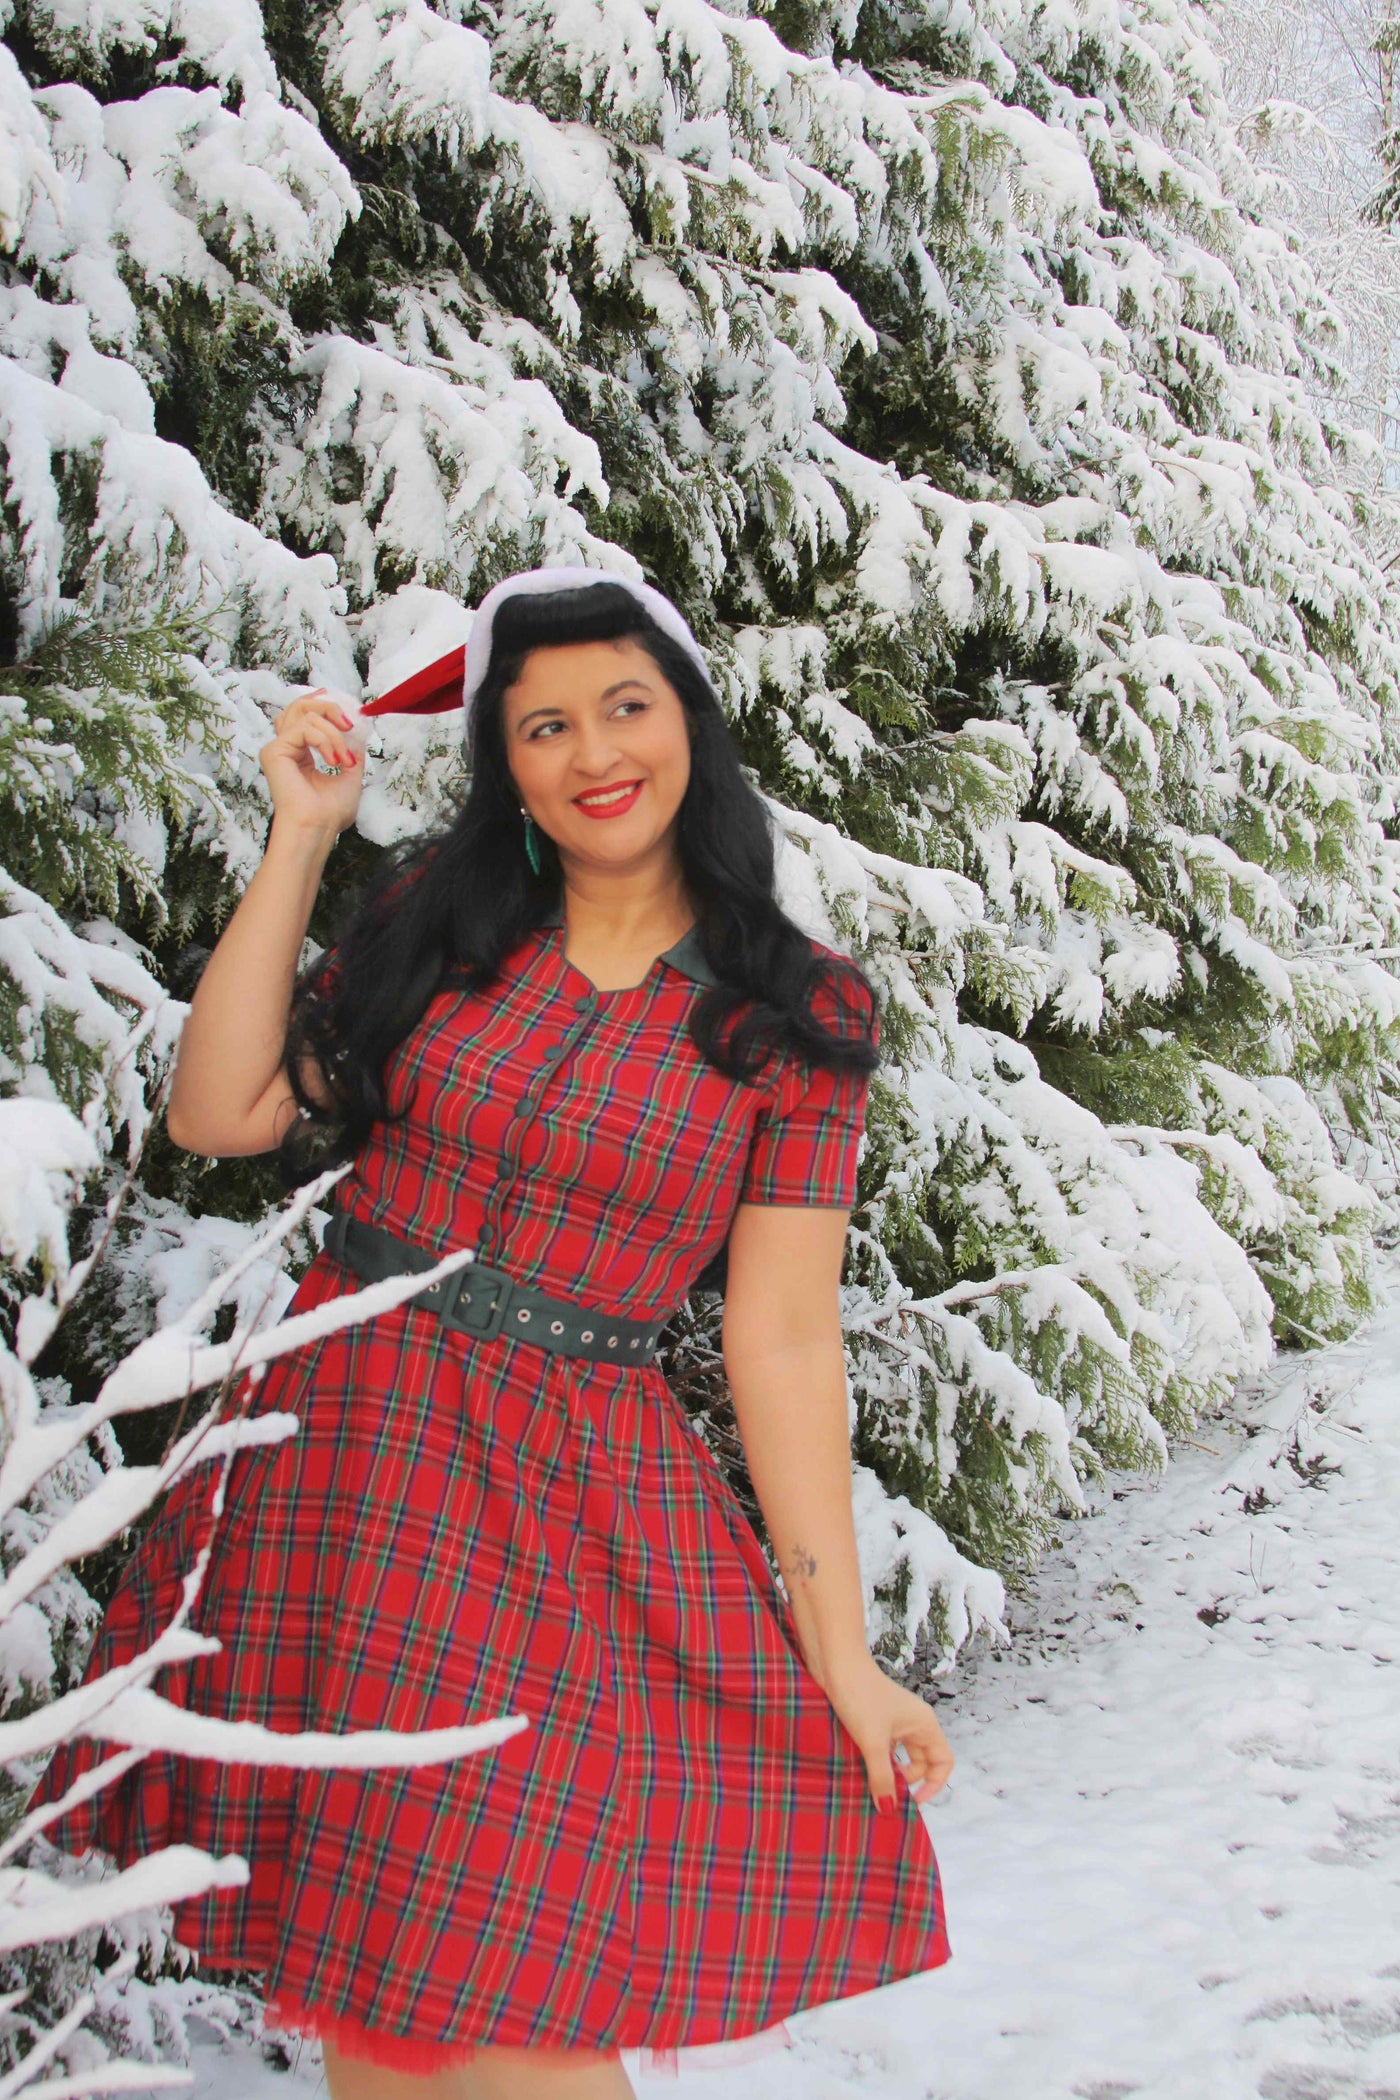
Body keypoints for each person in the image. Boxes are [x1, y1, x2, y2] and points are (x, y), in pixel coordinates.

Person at [35, 570, 953, 2098]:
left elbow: (782, 1340)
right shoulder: (447, 926)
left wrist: (840, 1654)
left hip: (565, 1513)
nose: (593, 750)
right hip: (343, 1466)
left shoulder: (795, 1014)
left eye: (625, 705)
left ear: (688, 725)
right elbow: (222, 1112)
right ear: (506, 764)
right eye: (544, 724)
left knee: (496, 1991)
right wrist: (305, 838)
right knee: (390, 1994)